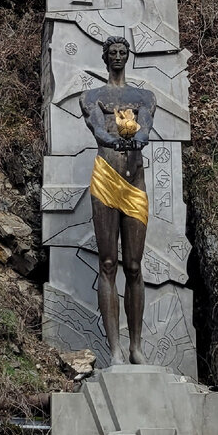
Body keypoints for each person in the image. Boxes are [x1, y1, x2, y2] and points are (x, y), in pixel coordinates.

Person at [80, 36, 156, 364]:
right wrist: (119, 140)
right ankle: (115, 350)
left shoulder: (144, 97)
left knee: (134, 265)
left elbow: (145, 130)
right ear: (105, 57)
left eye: (123, 53)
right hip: (106, 180)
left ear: (129, 56)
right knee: (108, 263)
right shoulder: (91, 96)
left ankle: (136, 346)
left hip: (134, 182)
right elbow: (98, 130)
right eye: (113, 53)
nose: (118, 57)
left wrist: (132, 139)